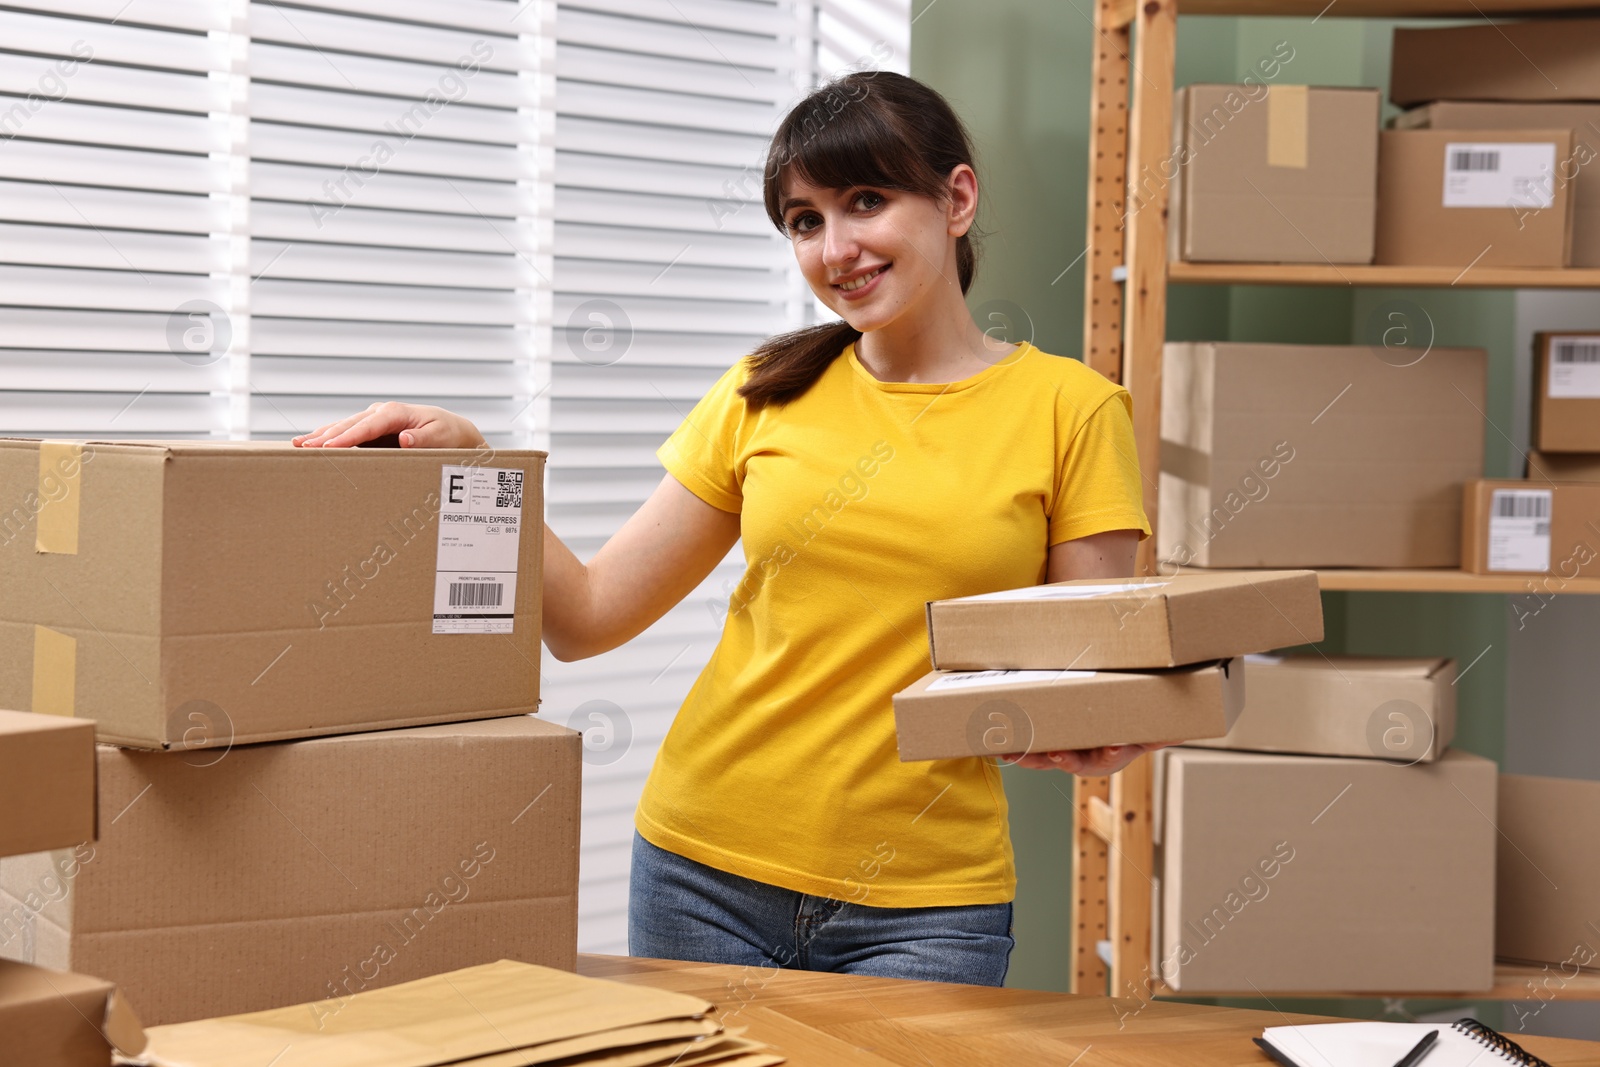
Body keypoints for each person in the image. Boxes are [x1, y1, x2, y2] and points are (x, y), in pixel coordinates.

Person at [294, 71, 1158, 987]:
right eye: (804, 220)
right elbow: (585, 618)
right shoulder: (765, 392)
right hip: (702, 870)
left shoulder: (1073, 410)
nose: (837, 247)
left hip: (928, 902)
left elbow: (1085, 676)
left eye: (867, 200)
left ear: (956, 198)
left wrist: (1114, 718)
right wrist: (477, 461)